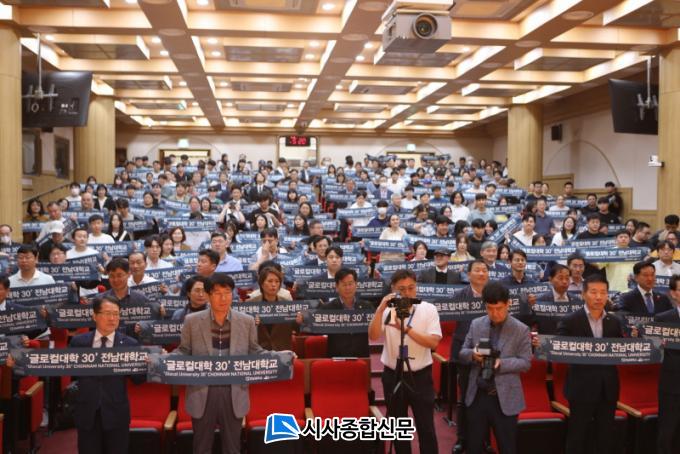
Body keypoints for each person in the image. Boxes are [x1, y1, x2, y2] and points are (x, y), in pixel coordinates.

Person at [171, 273, 285, 454]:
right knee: (201, 448)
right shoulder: (192, 321)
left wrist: (281, 357)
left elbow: (256, 351)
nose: (223, 298)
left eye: (227, 293)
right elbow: (183, 351)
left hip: (234, 392)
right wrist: (161, 360)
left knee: (233, 448)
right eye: (217, 293)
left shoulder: (246, 321)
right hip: (202, 392)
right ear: (208, 295)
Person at [368, 269, 441, 454]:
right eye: (402, 289)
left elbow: (433, 342)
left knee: (426, 427)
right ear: (393, 289)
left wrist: (406, 329)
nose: (407, 293)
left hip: (420, 376)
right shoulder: (387, 310)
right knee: (399, 429)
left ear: (416, 287)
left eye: (411, 288)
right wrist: (380, 309)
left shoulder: (428, 309)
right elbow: (373, 335)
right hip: (393, 374)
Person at [459, 282, 531, 454]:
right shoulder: (476, 324)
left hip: (504, 397)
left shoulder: (521, 329)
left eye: (499, 308)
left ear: (508, 304)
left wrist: (501, 364)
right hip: (477, 395)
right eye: (490, 309)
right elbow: (462, 352)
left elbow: (525, 362)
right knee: (474, 447)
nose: (494, 313)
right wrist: (473, 355)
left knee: (507, 447)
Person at [557, 275, 624, 454]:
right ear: (583, 294)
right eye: (593, 292)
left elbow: (620, 351)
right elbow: (558, 349)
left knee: (606, 437)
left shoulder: (614, 322)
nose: (598, 297)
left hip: (608, 388)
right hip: (581, 388)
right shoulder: (570, 320)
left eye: (603, 292)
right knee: (577, 437)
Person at [69, 296, 145, 454]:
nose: (112, 318)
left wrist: (146, 365)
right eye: (107, 313)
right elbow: (72, 374)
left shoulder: (130, 344)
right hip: (87, 412)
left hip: (116, 413)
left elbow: (138, 380)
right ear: (94, 316)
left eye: (116, 314)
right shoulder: (78, 343)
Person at [451, 260, 489, 454]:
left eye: (484, 270)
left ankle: (485, 439)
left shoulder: (493, 294)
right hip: (465, 351)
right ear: (468, 274)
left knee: (487, 399)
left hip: (489, 350)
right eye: (477, 270)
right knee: (465, 397)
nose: (481, 273)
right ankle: (462, 438)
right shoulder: (459, 296)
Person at [316, 268, 375, 358]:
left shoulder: (367, 307)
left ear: (356, 285)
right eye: (344, 284)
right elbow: (315, 328)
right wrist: (304, 320)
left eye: (350, 284)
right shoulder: (327, 308)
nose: (348, 288)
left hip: (361, 357)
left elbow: (374, 331)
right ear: (337, 287)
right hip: (336, 358)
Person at [655, 274, 680, 454]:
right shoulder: (663, 319)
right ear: (673, 293)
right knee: (668, 431)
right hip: (673, 384)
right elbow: (655, 349)